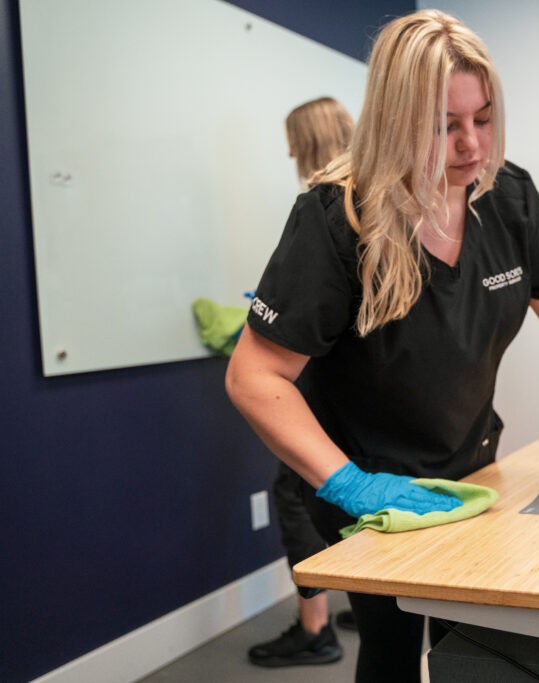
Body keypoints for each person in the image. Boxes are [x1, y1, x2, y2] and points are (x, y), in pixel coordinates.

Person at [225, 9, 539, 682]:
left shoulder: (508, 197)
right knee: (390, 640)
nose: (471, 144)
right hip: (366, 482)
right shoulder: (336, 219)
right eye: (444, 125)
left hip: (469, 465)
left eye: (483, 117)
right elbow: (255, 377)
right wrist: (351, 484)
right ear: (395, 120)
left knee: (471, 639)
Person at [245, 96, 355, 669]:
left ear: (305, 141)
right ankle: (368, 599)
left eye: (292, 140)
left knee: (295, 490)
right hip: (364, 392)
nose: (288, 151)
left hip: (318, 383)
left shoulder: (320, 203)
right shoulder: (379, 194)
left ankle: (314, 629)